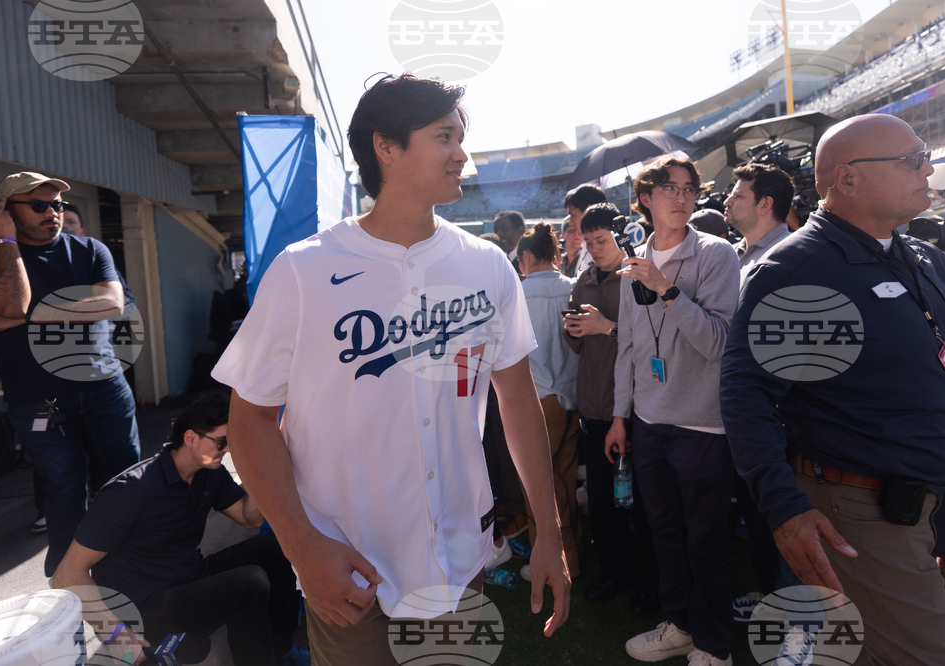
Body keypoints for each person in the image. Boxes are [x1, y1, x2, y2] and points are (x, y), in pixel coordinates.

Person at [211, 73, 571, 666]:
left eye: (463, 137)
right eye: (445, 137)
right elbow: (249, 422)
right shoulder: (303, 271)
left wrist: (550, 533)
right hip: (348, 570)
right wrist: (303, 549)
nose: (463, 155)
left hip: (457, 564)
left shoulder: (487, 266)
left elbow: (517, 402)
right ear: (386, 146)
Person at [720, 113, 945, 664]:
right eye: (910, 159)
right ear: (846, 180)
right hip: (868, 508)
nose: (927, 168)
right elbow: (747, 394)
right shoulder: (801, 271)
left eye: (925, 155)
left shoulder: (919, 255)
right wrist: (783, 508)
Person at [0, 172, 141, 577]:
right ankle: (69, 582)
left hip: (104, 389)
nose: (53, 213)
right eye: (39, 205)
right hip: (38, 398)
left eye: (57, 205)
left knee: (124, 481)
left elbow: (111, 303)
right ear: (6, 210)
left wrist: (30, 317)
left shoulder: (90, 249)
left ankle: (133, 568)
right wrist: (6, 239)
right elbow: (10, 304)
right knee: (65, 490)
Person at [53, 393, 306, 666]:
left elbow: (249, 517)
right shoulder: (130, 491)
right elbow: (66, 575)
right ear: (190, 438)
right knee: (250, 582)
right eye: (222, 441)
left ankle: (279, 649)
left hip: (186, 579)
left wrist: (265, 465)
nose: (229, 449)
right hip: (144, 608)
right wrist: (117, 634)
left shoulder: (209, 472)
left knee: (283, 546)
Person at [609, 156, 740, 666]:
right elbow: (629, 348)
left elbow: (718, 342)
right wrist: (620, 416)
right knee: (664, 533)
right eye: (668, 188)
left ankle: (714, 645)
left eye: (688, 189)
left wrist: (666, 289)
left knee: (706, 539)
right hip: (648, 422)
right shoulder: (633, 262)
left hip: (704, 424)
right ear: (646, 198)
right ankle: (681, 625)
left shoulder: (716, 253)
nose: (681, 197)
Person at [563, 202, 660, 614]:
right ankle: (616, 571)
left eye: (601, 240)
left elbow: (655, 340)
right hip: (594, 409)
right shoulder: (582, 282)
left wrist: (608, 327)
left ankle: (652, 579)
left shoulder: (638, 279)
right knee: (602, 503)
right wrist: (574, 329)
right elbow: (578, 344)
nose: (595, 248)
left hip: (636, 410)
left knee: (644, 502)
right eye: (588, 241)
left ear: (619, 238)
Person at [721, 162, 800, 620]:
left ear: (766, 204)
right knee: (758, 511)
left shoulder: (789, 257)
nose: (728, 200)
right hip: (751, 410)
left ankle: (797, 613)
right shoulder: (741, 254)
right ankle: (773, 593)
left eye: (739, 194)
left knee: (784, 514)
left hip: (781, 413)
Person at [515, 222, 581, 581]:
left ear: (526, 256)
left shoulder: (517, 293)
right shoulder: (573, 287)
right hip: (574, 396)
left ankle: (560, 560)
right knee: (564, 478)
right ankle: (572, 556)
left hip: (540, 400)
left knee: (538, 486)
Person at [564, 184, 608, 277]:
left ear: (587, 210)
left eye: (573, 215)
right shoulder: (585, 247)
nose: (571, 222)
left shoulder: (606, 250)